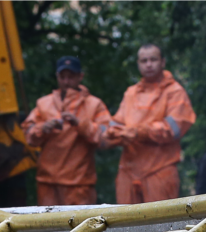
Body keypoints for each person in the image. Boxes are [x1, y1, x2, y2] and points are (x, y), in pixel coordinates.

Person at [107, 44, 196, 204]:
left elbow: (174, 128)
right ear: (138, 64)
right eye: (144, 60)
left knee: (161, 225)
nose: (148, 64)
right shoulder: (131, 93)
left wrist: (138, 132)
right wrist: (114, 133)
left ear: (163, 62)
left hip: (159, 170)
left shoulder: (175, 92)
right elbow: (116, 123)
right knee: (125, 225)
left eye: (153, 59)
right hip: (128, 170)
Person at [23, 56, 111, 206]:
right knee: (49, 227)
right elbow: (28, 135)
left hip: (79, 183)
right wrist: (43, 128)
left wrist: (79, 124)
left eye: (71, 76)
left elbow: (107, 137)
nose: (66, 81)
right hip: (47, 183)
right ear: (57, 77)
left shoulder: (94, 104)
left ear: (80, 76)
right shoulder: (43, 103)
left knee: (81, 227)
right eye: (62, 77)